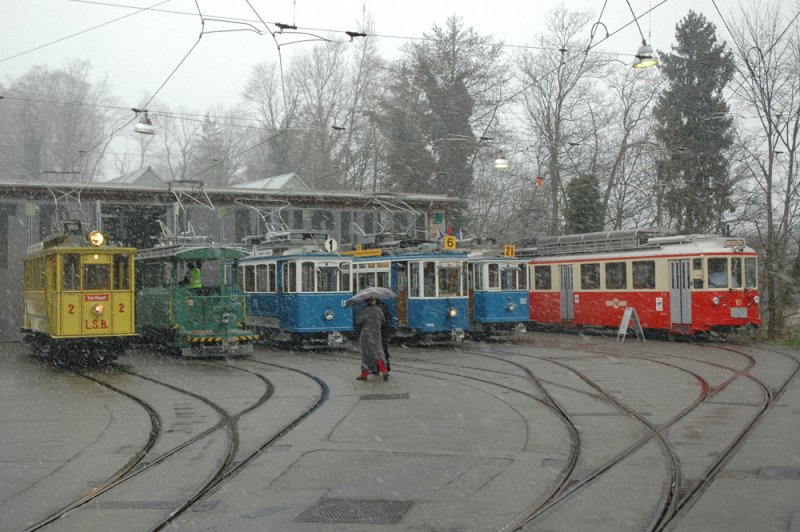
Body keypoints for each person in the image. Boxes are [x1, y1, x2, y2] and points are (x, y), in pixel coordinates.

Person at [356, 298, 389, 381]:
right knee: (378, 352)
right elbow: (383, 321)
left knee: (366, 355)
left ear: (366, 302)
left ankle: (364, 374)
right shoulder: (379, 310)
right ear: (374, 301)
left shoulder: (365, 311)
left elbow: (358, 322)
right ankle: (384, 371)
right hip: (377, 334)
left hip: (366, 335)